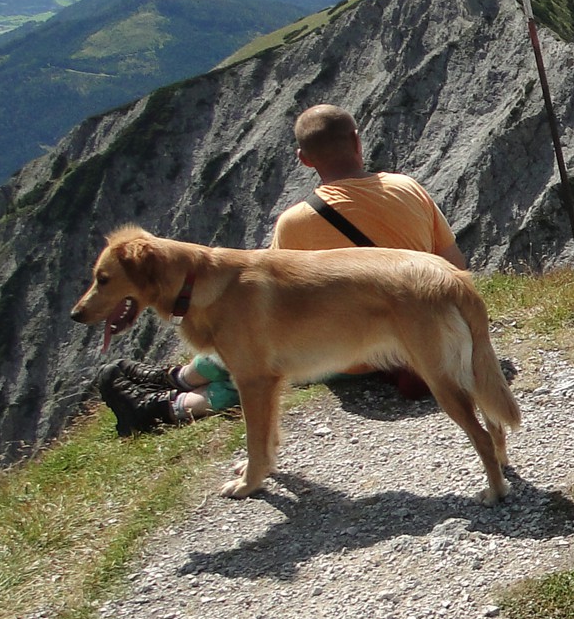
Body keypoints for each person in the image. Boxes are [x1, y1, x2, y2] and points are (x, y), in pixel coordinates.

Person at [97, 105, 466, 434]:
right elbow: (454, 267)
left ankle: (169, 404)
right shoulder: (408, 188)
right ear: (357, 141)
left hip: (352, 354)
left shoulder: (296, 221)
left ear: (303, 159)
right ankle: (176, 382)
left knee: (251, 354)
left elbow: (267, 310)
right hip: (423, 336)